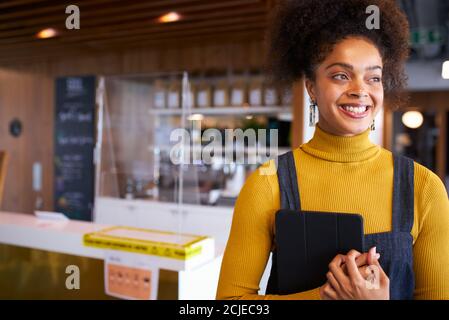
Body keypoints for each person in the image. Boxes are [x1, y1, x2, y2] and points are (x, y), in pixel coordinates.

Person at [216, 0, 449, 300]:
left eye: (374, 77)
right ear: (312, 86)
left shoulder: (424, 187)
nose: (360, 89)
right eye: (341, 75)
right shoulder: (267, 184)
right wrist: (323, 297)